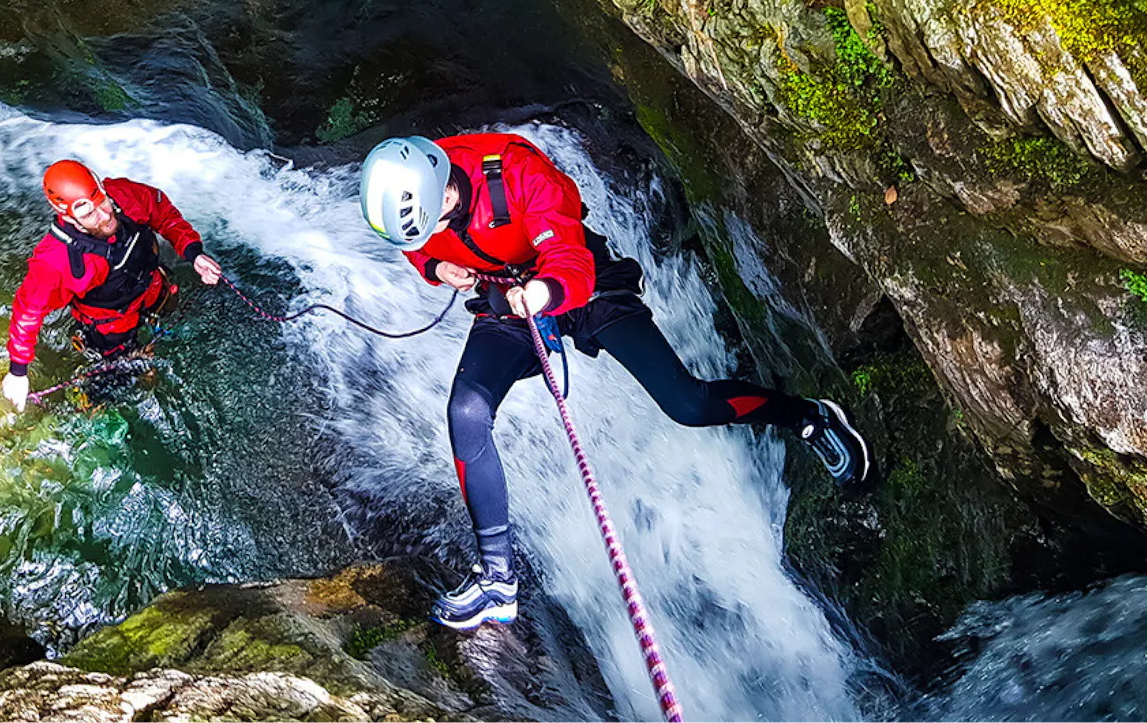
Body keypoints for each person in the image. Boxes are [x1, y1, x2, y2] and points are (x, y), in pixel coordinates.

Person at [358, 133, 873, 630]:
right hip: (506, 298)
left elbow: (572, 263)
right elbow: (415, 244)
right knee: (465, 413)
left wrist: (541, 295)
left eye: (435, 225)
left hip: (582, 288)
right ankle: (497, 580)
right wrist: (435, 264)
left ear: (442, 191)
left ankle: (809, 417)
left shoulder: (517, 171)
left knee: (687, 404)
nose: (429, 236)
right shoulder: (417, 191)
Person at [0, 159, 223, 411]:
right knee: (134, 376)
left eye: (102, 201)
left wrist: (193, 252)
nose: (105, 216)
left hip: (152, 286)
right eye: (88, 214)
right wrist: (18, 371)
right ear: (68, 217)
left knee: (172, 305)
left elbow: (163, 213)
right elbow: (28, 310)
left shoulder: (124, 196)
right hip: (111, 321)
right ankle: (88, 401)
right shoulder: (56, 261)